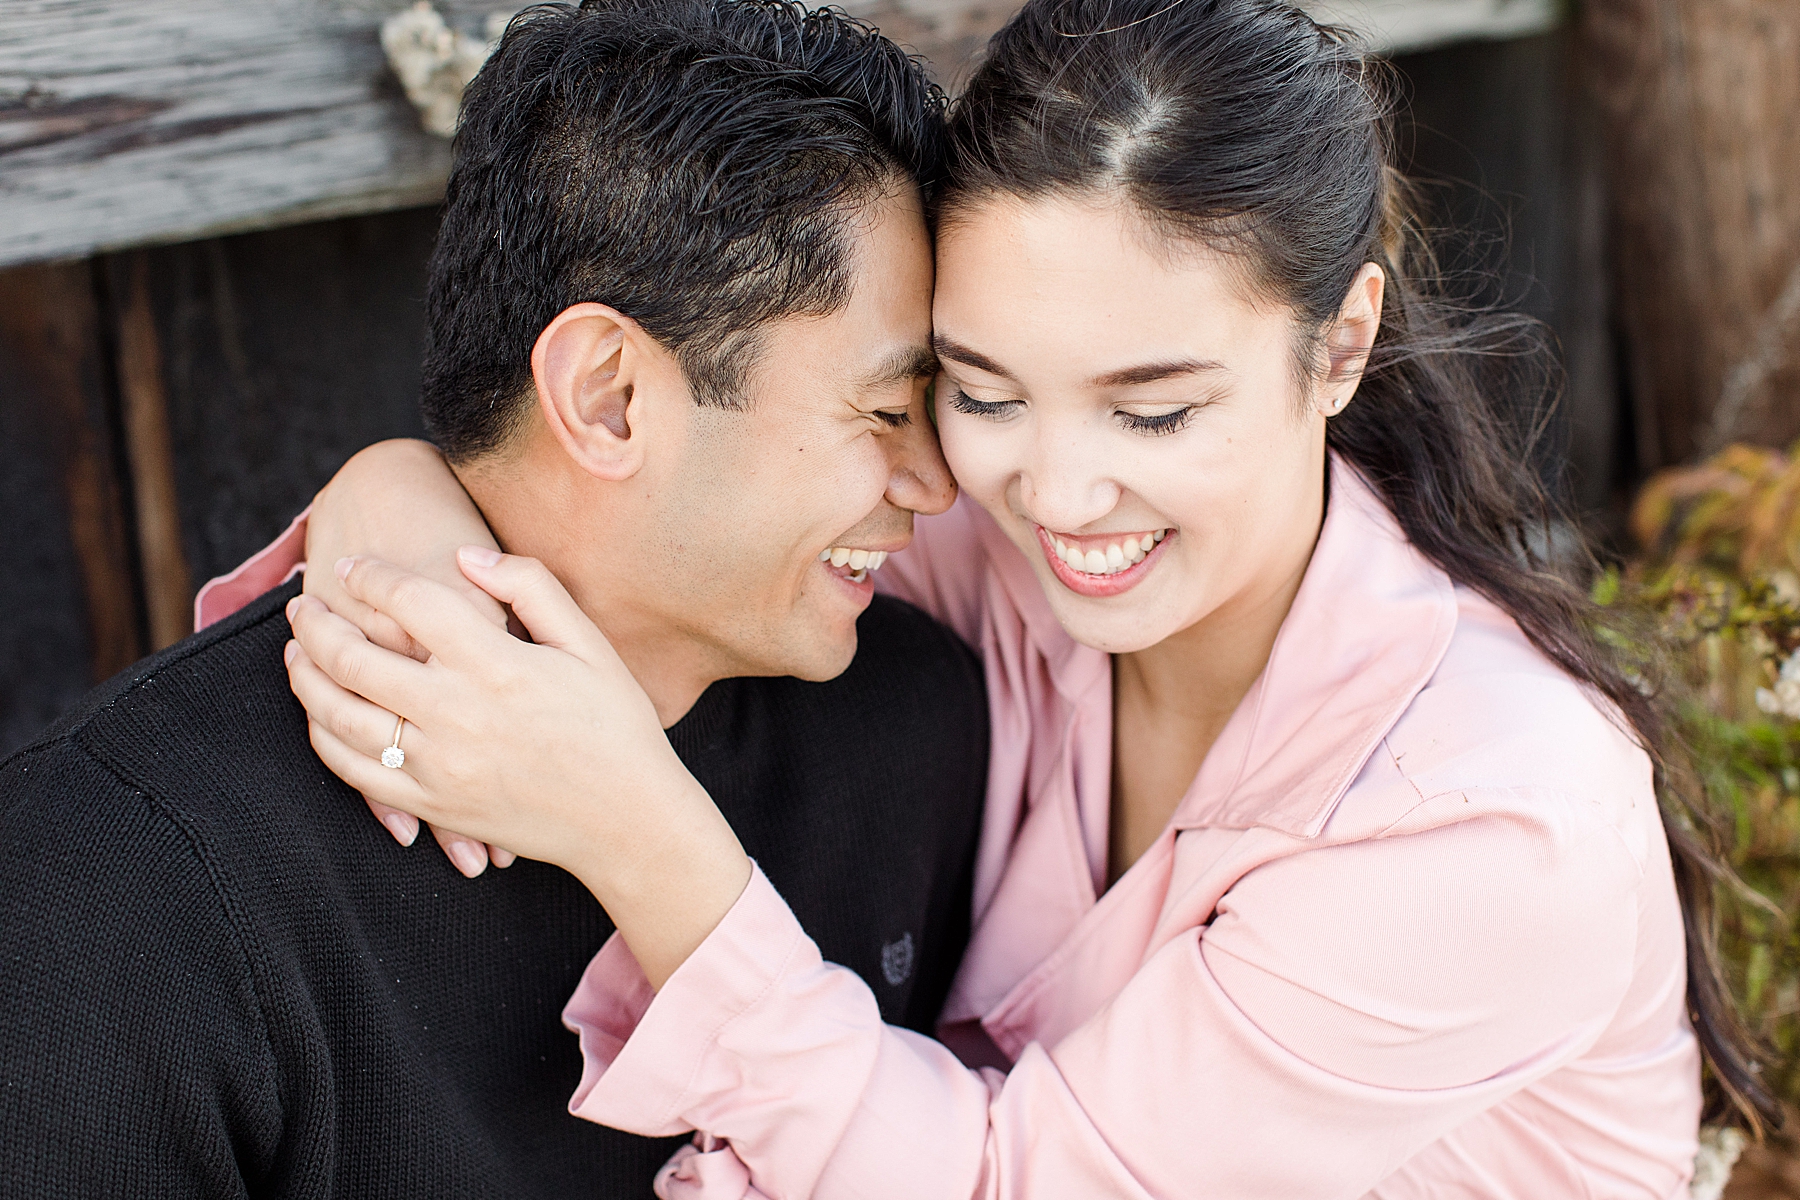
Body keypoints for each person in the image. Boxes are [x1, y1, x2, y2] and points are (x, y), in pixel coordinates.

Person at [265, 0, 1781, 1196]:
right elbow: (644, 518)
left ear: (1339, 344)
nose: (1057, 495)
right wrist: (396, 509)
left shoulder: (1490, 818)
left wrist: (644, 836)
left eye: (1154, 409)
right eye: (982, 388)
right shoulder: (993, 537)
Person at [0, 4, 993, 1195]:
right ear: (611, 395)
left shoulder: (916, 728)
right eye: (887, 412)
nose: (939, 483)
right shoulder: (121, 872)